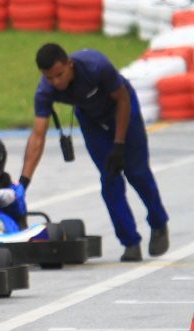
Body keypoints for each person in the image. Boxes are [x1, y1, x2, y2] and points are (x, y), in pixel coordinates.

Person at [21, 43, 169, 262]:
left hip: (122, 109)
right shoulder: (45, 91)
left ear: (69, 64)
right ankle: (130, 242)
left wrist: (119, 144)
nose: (56, 83)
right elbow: (38, 135)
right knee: (109, 179)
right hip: (91, 119)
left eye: (60, 75)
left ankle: (158, 223)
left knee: (136, 172)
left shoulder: (96, 66)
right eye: (49, 78)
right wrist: (24, 182)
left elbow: (122, 99)